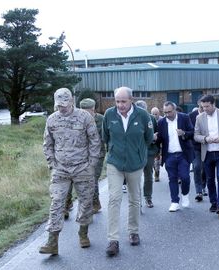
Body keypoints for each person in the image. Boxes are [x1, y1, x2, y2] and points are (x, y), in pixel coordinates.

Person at [39, 88, 101, 255]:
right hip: (61, 170)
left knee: (86, 203)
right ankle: (52, 242)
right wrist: (52, 163)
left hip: (83, 168)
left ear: (72, 101)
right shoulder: (52, 120)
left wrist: (91, 164)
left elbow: (95, 141)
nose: (62, 108)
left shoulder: (85, 117)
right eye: (59, 105)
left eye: (65, 105)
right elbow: (47, 144)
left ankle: (83, 234)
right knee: (56, 203)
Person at [103, 87, 154, 256]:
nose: (120, 105)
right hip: (114, 163)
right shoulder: (109, 115)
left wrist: (138, 153)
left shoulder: (143, 115)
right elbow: (106, 137)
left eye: (123, 101)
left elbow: (148, 138)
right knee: (114, 198)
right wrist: (114, 151)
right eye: (117, 101)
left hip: (135, 164)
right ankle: (113, 240)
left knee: (134, 198)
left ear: (131, 100)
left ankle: (133, 232)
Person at [155, 101, 195, 212]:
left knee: (185, 177)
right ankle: (174, 202)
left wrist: (184, 134)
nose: (167, 114)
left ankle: (185, 195)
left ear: (175, 109)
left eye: (169, 112)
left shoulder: (184, 118)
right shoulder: (162, 122)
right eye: (165, 112)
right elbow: (160, 139)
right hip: (169, 155)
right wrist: (155, 139)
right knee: (172, 179)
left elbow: (192, 132)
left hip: (183, 154)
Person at [135, 100, 159, 208]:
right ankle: (136, 199)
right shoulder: (132, 118)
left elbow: (157, 133)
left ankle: (148, 197)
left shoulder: (152, 118)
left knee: (148, 175)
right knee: (135, 176)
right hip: (135, 152)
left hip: (149, 151)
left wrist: (154, 138)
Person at [189, 99, 207, 202]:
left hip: (207, 145)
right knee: (196, 167)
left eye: (205, 107)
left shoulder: (209, 114)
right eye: (202, 107)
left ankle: (204, 186)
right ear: (198, 105)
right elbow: (189, 130)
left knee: (205, 168)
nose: (204, 109)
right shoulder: (191, 116)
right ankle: (198, 191)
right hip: (195, 146)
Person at [151, 107, 162, 182]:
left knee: (158, 160)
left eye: (156, 114)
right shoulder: (149, 120)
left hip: (160, 143)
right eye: (153, 114)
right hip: (153, 143)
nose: (155, 115)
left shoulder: (162, 120)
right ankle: (156, 172)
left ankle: (157, 173)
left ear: (159, 113)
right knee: (154, 161)